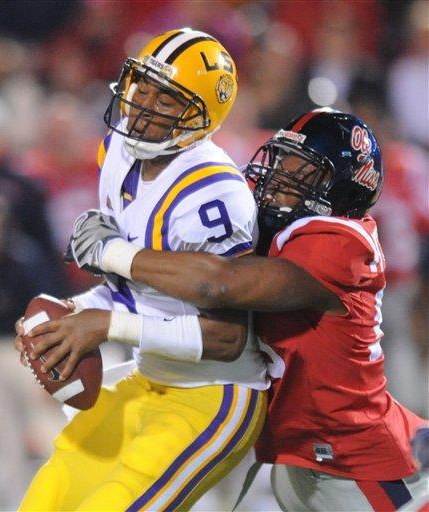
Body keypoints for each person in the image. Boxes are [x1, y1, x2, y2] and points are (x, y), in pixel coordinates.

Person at [62, 108, 428, 511]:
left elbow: (219, 283)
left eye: (299, 171)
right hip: (297, 452)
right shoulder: (282, 228)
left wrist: (112, 250)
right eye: (279, 161)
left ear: (343, 188)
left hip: (356, 457)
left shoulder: (339, 241)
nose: (275, 179)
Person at [14, 28, 269, 511]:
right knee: (46, 501)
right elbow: (130, 289)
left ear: (201, 116)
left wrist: (107, 324)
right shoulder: (116, 151)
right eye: (142, 86)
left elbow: (225, 337)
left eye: (167, 99)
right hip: (145, 376)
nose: (144, 104)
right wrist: (74, 312)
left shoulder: (213, 194)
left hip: (211, 393)